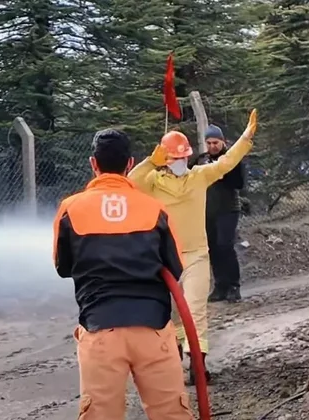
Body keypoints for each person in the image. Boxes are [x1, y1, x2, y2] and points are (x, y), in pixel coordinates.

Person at [52, 128, 193, 420]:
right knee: (172, 415)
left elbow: (63, 267)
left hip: (101, 330)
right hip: (153, 328)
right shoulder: (155, 209)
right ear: (130, 164)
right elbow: (176, 267)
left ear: (94, 164)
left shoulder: (70, 209)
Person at [128, 110, 257, 384]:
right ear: (165, 159)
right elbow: (131, 182)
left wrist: (246, 137)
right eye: (173, 157)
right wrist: (152, 160)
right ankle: (174, 361)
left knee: (195, 309)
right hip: (166, 259)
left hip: (197, 256)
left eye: (182, 156)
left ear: (188, 156)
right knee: (172, 313)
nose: (179, 161)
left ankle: (198, 365)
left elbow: (226, 163)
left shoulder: (199, 176)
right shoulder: (153, 182)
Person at [189, 124, 246, 303]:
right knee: (212, 247)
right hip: (207, 211)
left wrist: (222, 173)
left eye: (216, 142)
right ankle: (220, 285)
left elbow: (239, 183)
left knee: (225, 246)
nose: (212, 146)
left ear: (223, 142)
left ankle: (233, 286)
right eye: (209, 143)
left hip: (228, 209)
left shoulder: (231, 158)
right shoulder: (201, 160)